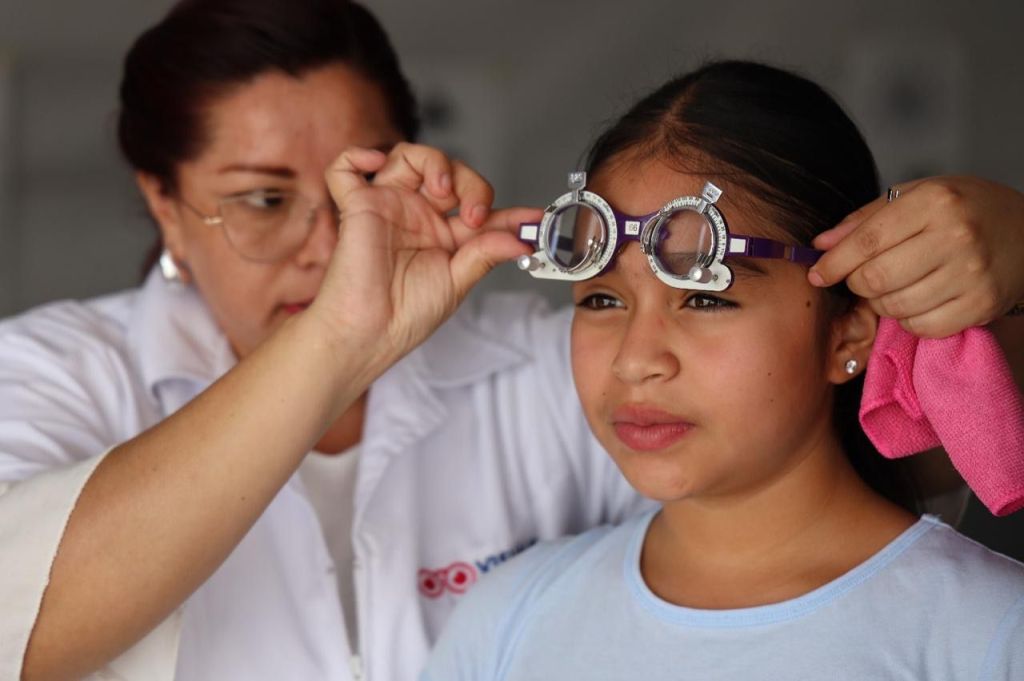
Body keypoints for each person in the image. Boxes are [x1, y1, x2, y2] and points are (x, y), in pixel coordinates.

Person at [0, 0, 1020, 678]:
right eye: (262, 200)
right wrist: (349, 334)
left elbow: (877, 447)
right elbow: (22, 617)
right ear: (166, 205)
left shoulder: (980, 625)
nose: (327, 242)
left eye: (359, 186)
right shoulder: (57, 374)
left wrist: (1002, 260)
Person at [421, 61, 1024, 680]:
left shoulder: (988, 633)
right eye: (602, 300)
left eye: (706, 298)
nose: (636, 360)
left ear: (850, 330)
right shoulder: (508, 619)